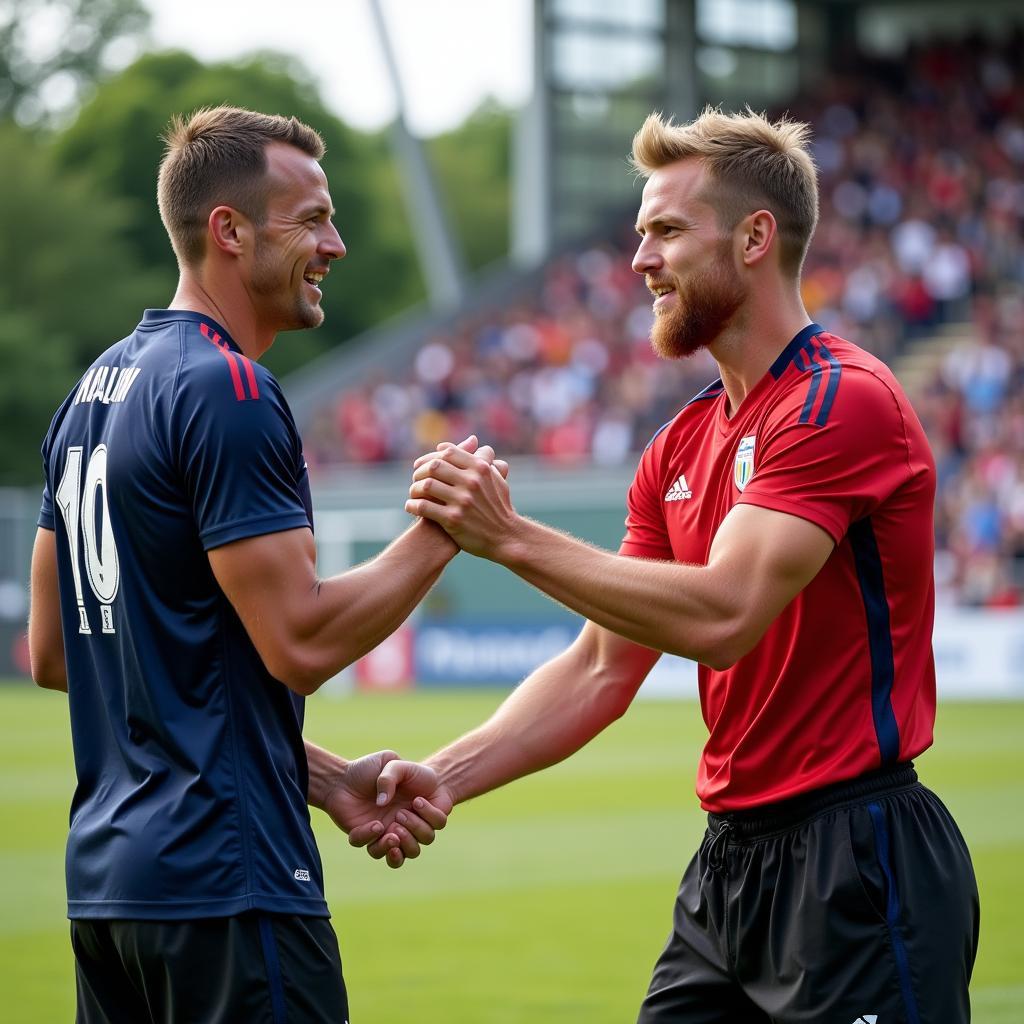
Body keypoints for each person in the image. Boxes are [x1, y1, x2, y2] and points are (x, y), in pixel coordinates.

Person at [382, 108, 980, 1022]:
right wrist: (446, 775)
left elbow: (722, 616)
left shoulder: (841, 400)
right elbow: (597, 667)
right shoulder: (678, 443)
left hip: (858, 860)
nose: (640, 260)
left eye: (666, 230)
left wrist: (507, 537)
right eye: (639, 234)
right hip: (728, 869)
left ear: (754, 238)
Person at [27, 105, 469, 1023]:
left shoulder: (89, 395)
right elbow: (300, 641)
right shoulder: (228, 386)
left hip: (111, 898)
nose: (336, 245)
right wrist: (446, 529)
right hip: (228, 887)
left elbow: (56, 654)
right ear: (228, 230)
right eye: (311, 219)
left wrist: (321, 779)